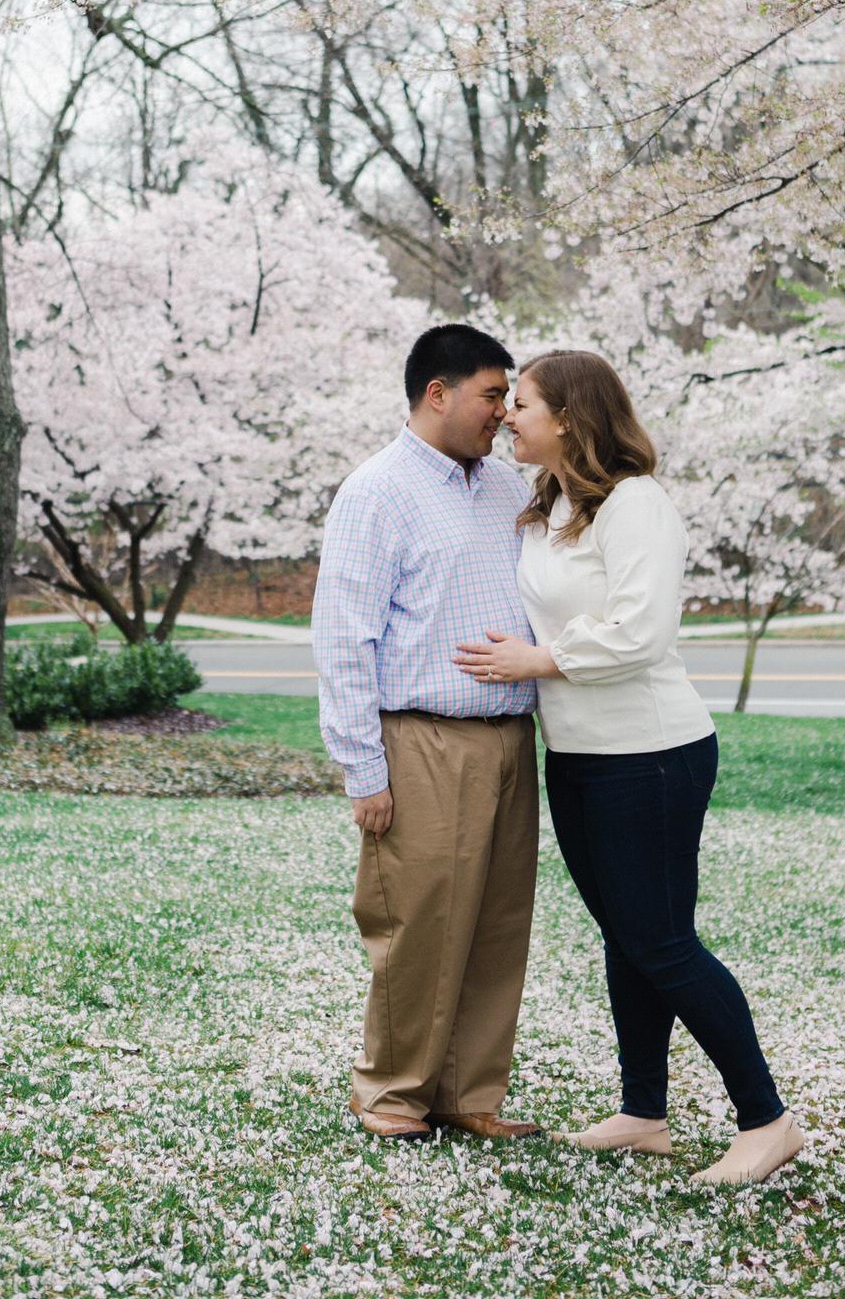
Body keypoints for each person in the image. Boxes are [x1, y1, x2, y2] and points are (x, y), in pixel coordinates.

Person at [455, 349, 804, 1187]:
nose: (507, 414)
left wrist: (538, 661)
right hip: (577, 755)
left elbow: (641, 632)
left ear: (571, 416)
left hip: (650, 754)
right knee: (629, 939)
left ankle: (768, 1120)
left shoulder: (636, 504)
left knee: (664, 942)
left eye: (523, 403)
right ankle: (645, 1110)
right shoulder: (550, 504)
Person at [311, 323, 542, 1142]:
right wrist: (363, 770)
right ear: (437, 394)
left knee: (497, 923)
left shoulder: (512, 491)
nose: (505, 413)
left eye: (510, 397)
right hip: (421, 738)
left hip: (512, 740)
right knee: (418, 922)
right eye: (491, 395)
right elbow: (345, 636)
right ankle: (393, 1094)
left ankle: (469, 1094)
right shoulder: (377, 492)